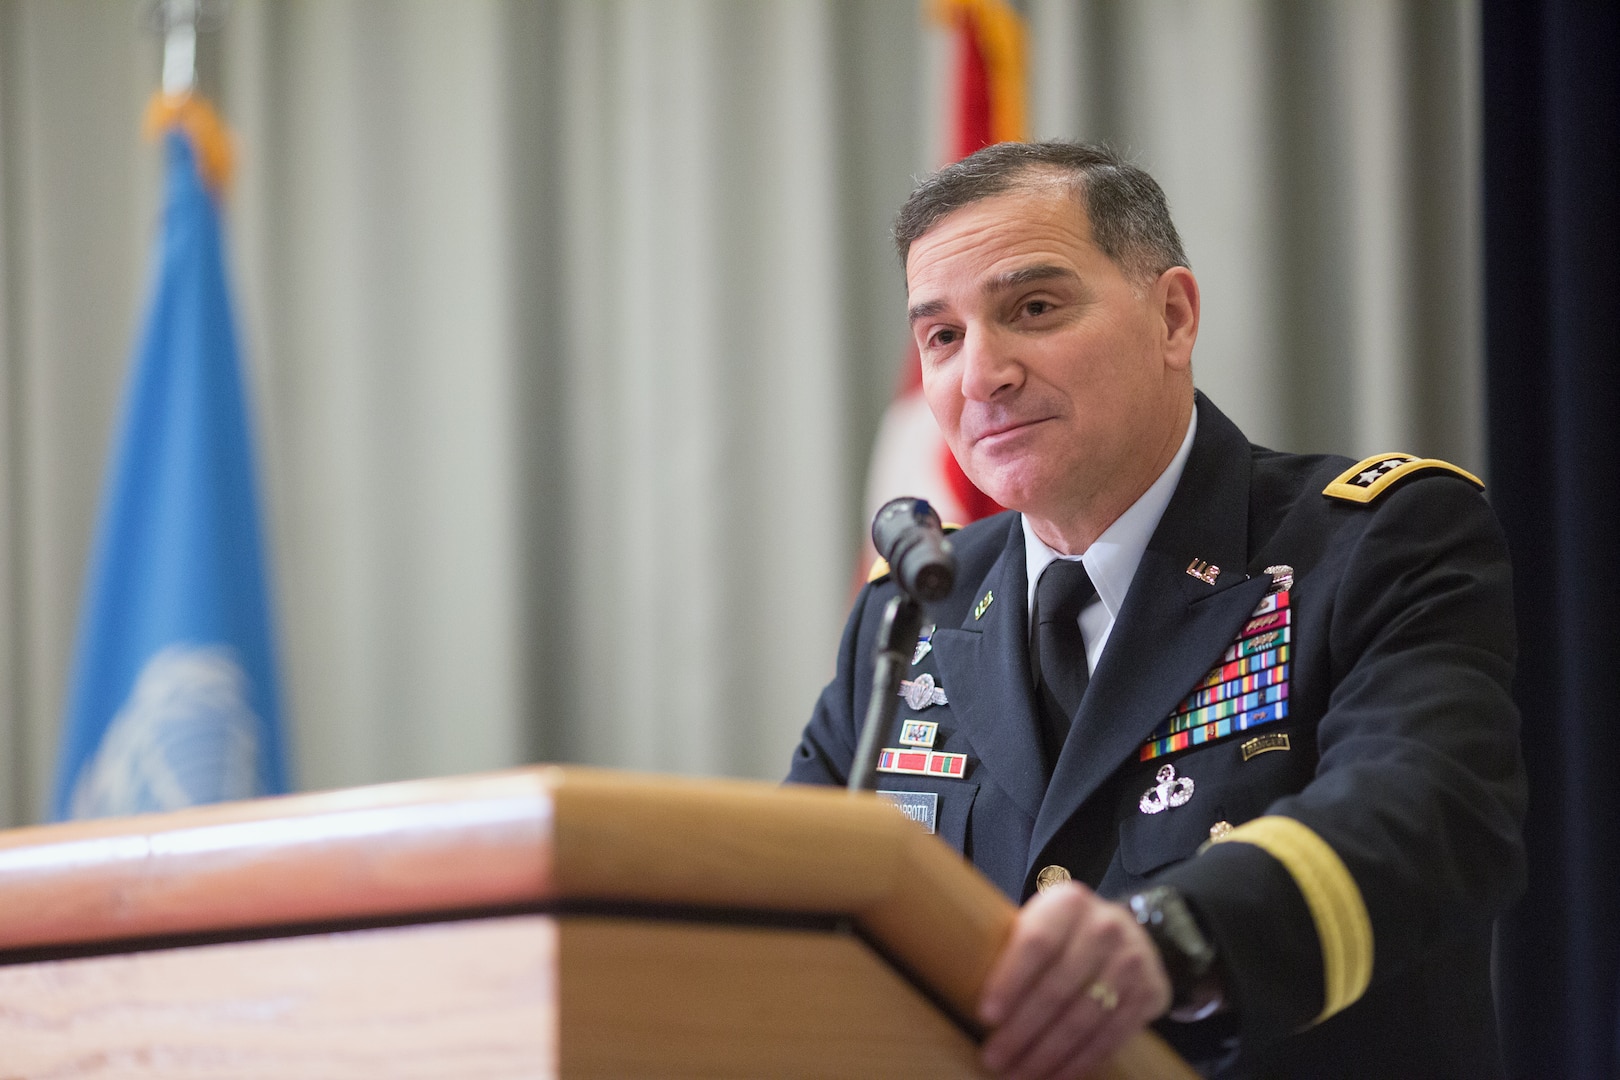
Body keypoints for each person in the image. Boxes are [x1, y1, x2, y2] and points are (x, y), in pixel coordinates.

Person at [787, 142, 1526, 1079]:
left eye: (1034, 309)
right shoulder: (912, 609)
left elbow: (1432, 817)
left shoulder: (1378, 539)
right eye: (942, 336)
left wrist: (1170, 942)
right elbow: (798, 891)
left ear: (1172, 317)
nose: (982, 375)